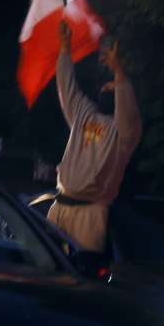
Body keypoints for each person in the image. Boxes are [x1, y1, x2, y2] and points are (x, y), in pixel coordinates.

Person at [47, 20, 142, 252]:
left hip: (90, 214)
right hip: (60, 206)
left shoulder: (124, 134)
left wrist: (118, 73)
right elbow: (66, 88)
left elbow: (128, 113)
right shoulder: (85, 116)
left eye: (114, 89)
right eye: (107, 86)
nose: (108, 88)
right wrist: (65, 48)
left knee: (83, 275)